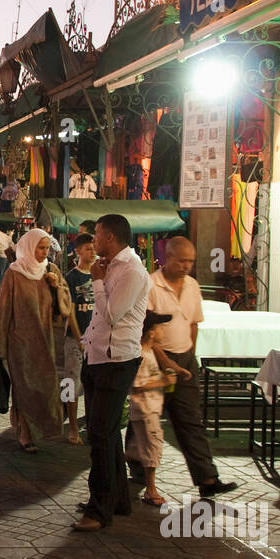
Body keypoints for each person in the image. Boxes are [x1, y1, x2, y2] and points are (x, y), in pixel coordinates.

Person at [73, 214, 152, 532]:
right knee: (104, 433)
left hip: (116, 361)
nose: (93, 243)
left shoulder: (131, 270)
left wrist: (95, 280)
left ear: (111, 237)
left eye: (98, 236)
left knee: (100, 434)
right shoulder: (112, 267)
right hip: (97, 357)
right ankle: (117, 499)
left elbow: (112, 314)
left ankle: (99, 507)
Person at [148, 236, 238, 499]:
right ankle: (139, 467)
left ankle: (207, 478)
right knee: (146, 419)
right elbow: (146, 331)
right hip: (157, 359)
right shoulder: (152, 286)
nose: (186, 266)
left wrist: (191, 355)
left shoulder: (192, 286)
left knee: (190, 420)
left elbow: (194, 323)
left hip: (185, 359)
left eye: (190, 261)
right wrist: (164, 362)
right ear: (167, 259)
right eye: (181, 260)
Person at [0, 227, 71, 453]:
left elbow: (65, 304)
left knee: (45, 386)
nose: (44, 252)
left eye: (46, 248)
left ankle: (43, 428)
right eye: (40, 247)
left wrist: (56, 288)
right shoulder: (14, 273)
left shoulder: (50, 271)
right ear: (29, 247)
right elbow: (3, 309)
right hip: (20, 342)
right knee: (23, 387)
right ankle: (25, 433)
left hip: (46, 341)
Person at [124, 311, 176, 507]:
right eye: (161, 328)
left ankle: (118, 461)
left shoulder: (148, 351)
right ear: (151, 333)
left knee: (139, 448)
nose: (164, 331)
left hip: (147, 409)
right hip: (146, 409)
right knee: (153, 449)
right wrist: (162, 381)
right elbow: (137, 384)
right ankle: (151, 489)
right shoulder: (142, 355)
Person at [62, 232, 96, 445]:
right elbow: (70, 312)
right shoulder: (71, 278)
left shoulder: (102, 274)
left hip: (97, 340)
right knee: (70, 383)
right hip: (75, 340)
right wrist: (79, 337)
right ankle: (72, 427)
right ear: (78, 251)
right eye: (88, 249)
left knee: (92, 383)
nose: (92, 252)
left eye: (94, 248)